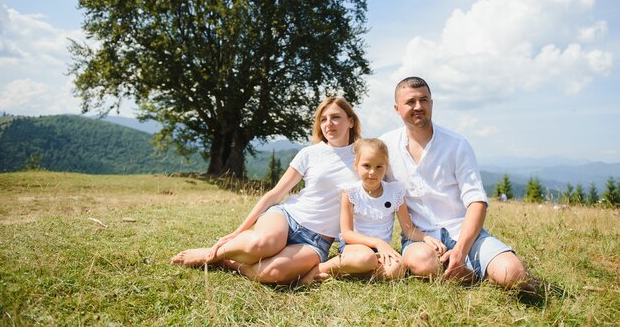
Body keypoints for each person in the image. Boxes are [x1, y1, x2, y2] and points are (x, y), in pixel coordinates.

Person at [171, 97, 360, 284]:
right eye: (323, 119)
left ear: (350, 121)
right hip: (287, 217)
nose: (329, 124)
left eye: (336, 117)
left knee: (273, 273)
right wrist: (237, 231)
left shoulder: (363, 156)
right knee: (262, 243)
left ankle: (229, 263)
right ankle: (211, 254)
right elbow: (275, 194)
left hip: (316, 240)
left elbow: (379, 194)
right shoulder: (309, 153)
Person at [380, 76, 531, 289]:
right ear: (397, 108)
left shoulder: (457, 144)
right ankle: (466, 271)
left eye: (424, 100)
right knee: (424, 263)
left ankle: (468, 264)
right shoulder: (386, 146)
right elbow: (370, 189)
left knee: (513, 274)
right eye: (410, 102)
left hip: (465, 234)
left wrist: (461, 249)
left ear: (432, 104)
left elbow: (477, 202)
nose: (418, 106)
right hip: (420, 240)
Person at [301, 138, 446, 284]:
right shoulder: (350, 192)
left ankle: (350, 273)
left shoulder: (395, 191)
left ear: (386, 167)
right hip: (355, 248)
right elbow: (347, 234)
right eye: (366, 166)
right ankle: (321, 268)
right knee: (365, 258)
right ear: (356, 165)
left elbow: (408, 230)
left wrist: (426, 238)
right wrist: (377, 243)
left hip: (381, 251)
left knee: (396, 269)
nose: (372, 172)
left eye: (379, 167)